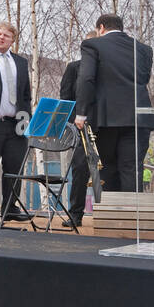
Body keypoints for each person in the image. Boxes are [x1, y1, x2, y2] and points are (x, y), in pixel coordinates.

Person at [76, 13, 154, 193]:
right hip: (139, 117)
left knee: (109, 169)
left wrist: (81, 113)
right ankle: (133, 218)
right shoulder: (144, 49)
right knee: (132, 169)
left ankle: (113, 218)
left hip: (107, 118)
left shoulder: (92, 44)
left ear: (101, 28)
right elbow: (143, 78)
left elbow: (86, 78)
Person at [0, 22, 33, 225]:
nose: (1, 37)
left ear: (13, 40)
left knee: (14, 168)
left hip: (15, 125)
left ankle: (11, 208)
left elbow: (26, 94)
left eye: (6, 35)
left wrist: (26, 118)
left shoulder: (20, 62)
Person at [58, 31, 97, 226]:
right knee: (80, 169)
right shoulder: (73, 68)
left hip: (103, 126)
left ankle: (106, 214)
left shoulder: (107, 69)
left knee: (105, 173)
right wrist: (74, 123)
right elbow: (65, 97)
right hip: (80, 127)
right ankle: (75, 215)